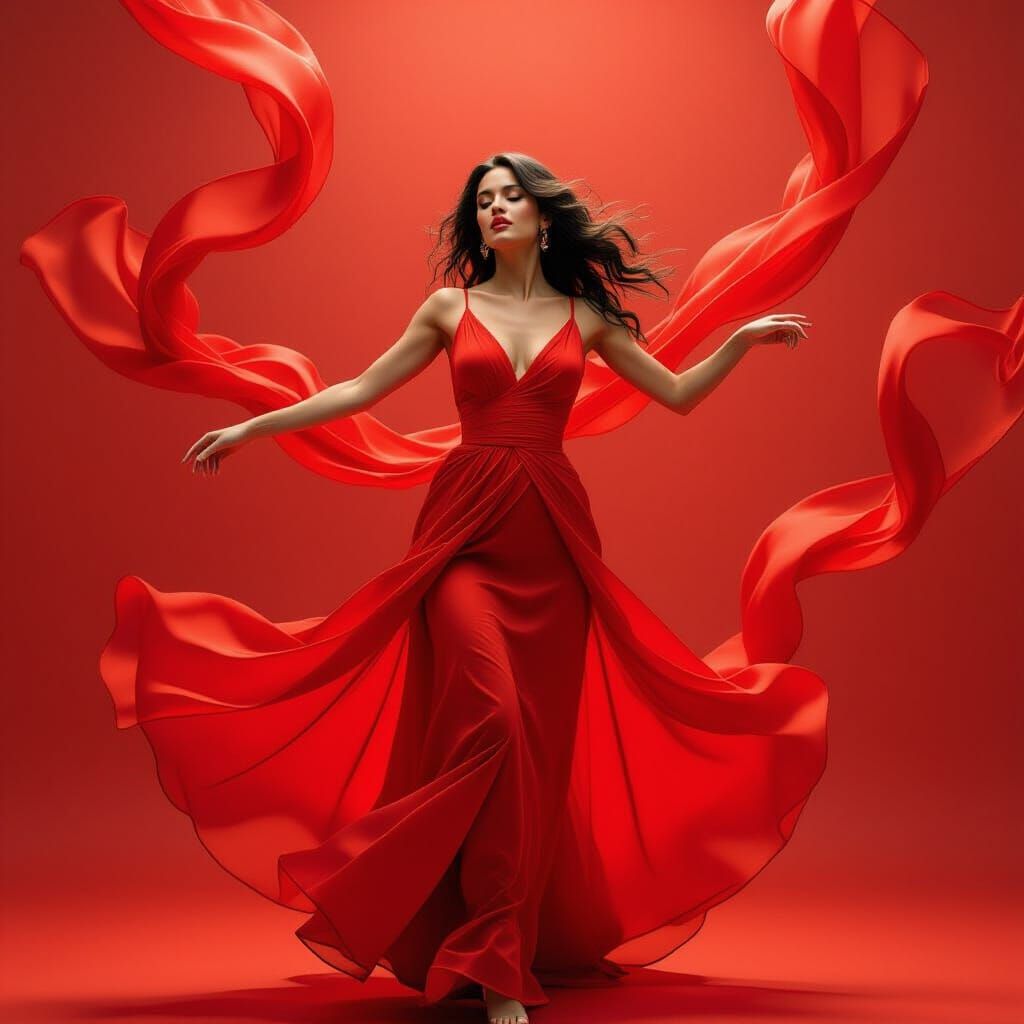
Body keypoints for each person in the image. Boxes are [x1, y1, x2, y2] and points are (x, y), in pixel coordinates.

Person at [175, 157, 811, 1024]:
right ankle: (399, 892)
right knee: (492, 724)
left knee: (530, 760)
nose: (496, 208)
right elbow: (361, 389)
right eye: (483, 200)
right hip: (465, 539)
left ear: (544, 217)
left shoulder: (586, 317)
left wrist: (738, 341)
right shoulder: (449, 308)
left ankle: (496, 952)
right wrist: (256, 425)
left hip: (552, 548)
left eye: (511, 196)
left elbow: (677, 395)